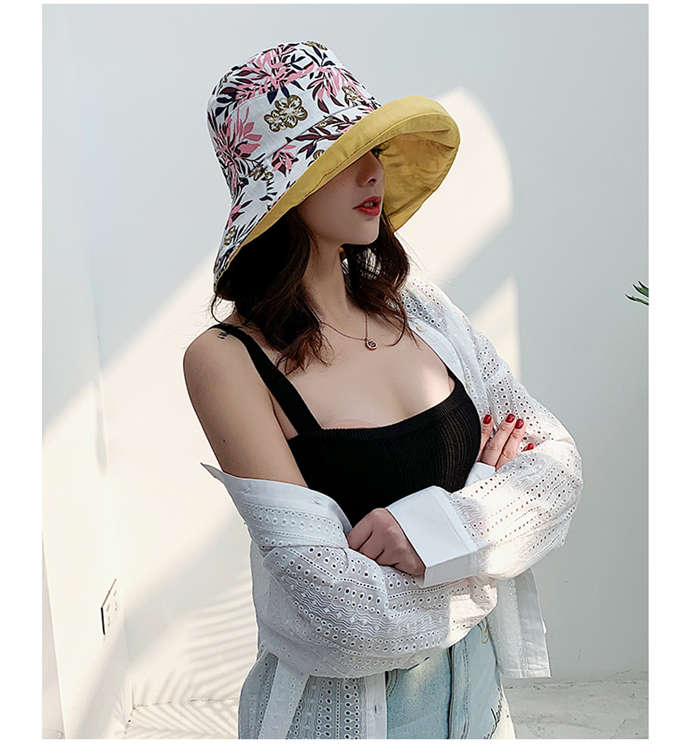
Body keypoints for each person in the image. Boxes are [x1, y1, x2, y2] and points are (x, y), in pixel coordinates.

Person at [183, 41, 583, 739]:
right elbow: (342, 615)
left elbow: (558, 468)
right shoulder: (227, 359)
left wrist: (437, 534)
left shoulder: (419, 307)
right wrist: (489, 517)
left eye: (373, 148)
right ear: (282, 193)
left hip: (483, 709)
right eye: (339, 157)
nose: (373, 170)